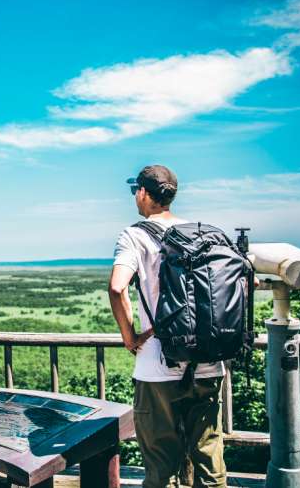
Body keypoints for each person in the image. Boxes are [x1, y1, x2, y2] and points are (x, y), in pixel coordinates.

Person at [108, 165, 226, 488]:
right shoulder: (202, 233)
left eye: (136, 190)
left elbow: (118, 288)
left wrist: (130, 336)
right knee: (210, 462)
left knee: (159, 471)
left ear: (144, 193)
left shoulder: (135, 235)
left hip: (157, 368)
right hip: (207, 362)